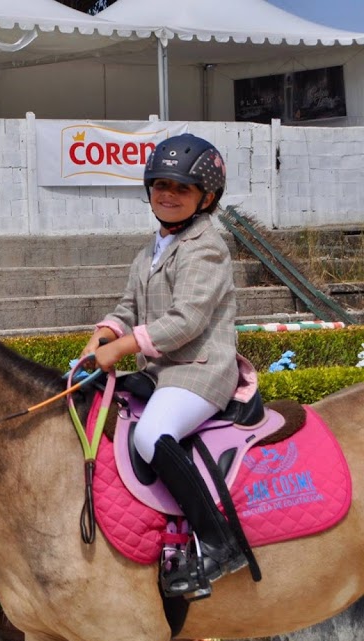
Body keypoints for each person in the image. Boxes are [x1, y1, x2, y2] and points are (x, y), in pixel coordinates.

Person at [80, 133, 254, 598]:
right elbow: (126, 307)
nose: (167, 194)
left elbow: (188, 319)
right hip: (161, 372)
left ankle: (219, 540)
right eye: (160, 184)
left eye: (181, 188)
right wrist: (106, 333)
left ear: (207, 197)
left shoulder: (206, 246)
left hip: (200, 371)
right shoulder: (150, 249)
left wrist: (123, 347)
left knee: (151, 435)